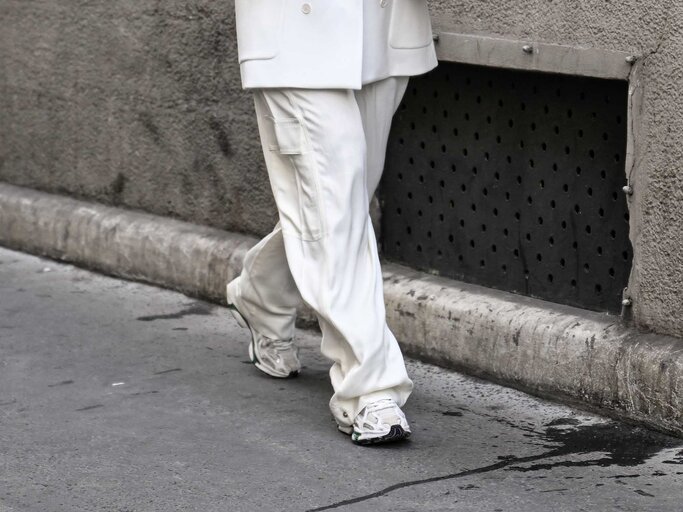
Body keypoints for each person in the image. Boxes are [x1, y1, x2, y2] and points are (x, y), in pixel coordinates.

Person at [227, 0, 438, 445]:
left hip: (383, 22)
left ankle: (262, 293)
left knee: (340, 204)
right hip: (293, 27)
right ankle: (369, 389)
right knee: (335, 208)